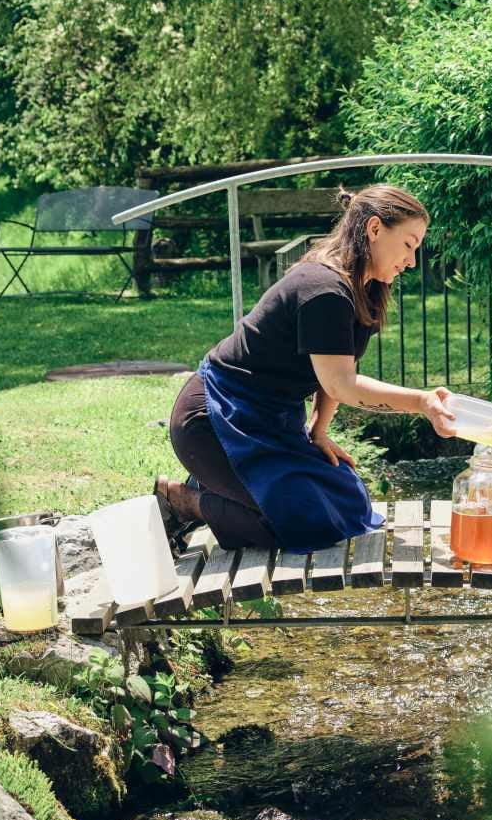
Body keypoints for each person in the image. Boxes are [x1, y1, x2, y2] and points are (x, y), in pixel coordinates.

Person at [155, 184, 458, 553]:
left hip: (269, 420)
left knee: (348, 503)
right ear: (375, 229)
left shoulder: (366, 287)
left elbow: (337, 369)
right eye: (409, 244)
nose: (412, 260)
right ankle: (184, 500)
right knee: (303, 523)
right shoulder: (323, 289)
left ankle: (221, 486)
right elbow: (343, 383)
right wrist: (423, 402)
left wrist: (319, 430)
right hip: (216, 419)